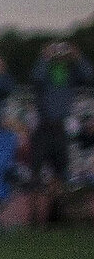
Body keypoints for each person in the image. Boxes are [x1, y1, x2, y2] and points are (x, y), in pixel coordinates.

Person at [30, 41, 91, 226]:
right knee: (36, 173)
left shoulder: (70, 73)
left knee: (60, 174)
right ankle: (35, 217)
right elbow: (36, 77)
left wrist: (77, 57)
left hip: (60, 129)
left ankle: (55, 215)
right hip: (42, 127)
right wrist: (44, 57)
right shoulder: (45, 71)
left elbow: (89, 76)